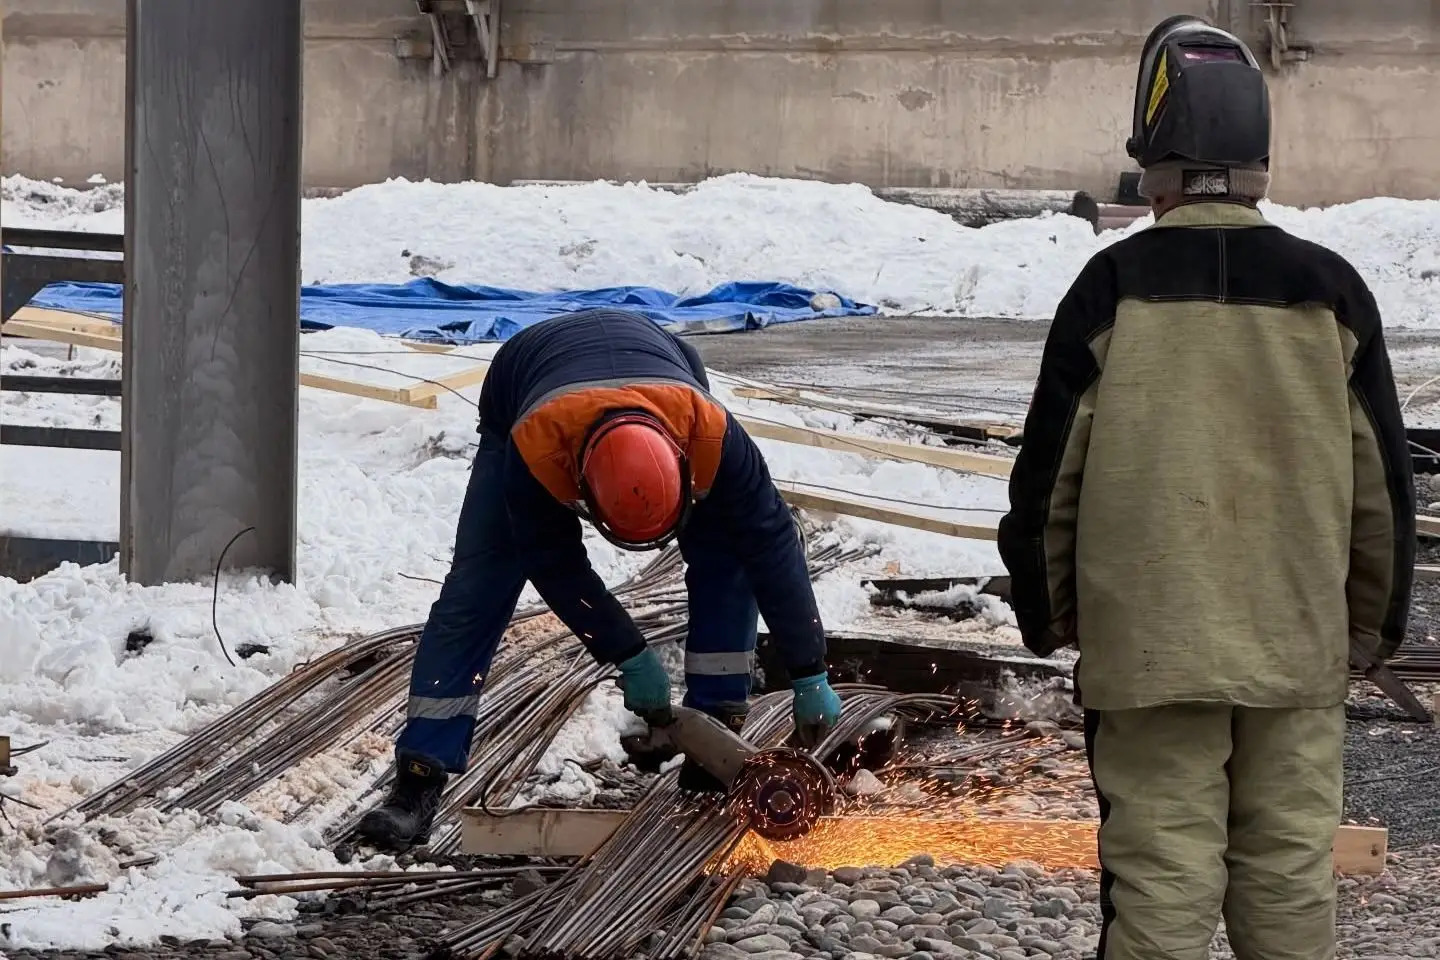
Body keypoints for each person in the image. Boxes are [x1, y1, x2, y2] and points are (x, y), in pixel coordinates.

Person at [997, 15, 1414, 960]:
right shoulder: (1332, 292)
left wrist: (1050, 614)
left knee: (1161, 877)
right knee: (1290, 871)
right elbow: (1383, 488)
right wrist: (1368, 628)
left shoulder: (1111, 288)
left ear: (1155, 164)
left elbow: (1049, 482)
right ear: (1259, 158)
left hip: (1151, 644)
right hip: (1295, 643)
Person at [358, 308, 843, 848]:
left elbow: (772, 545)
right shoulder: (536, 449)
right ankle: (418, 778)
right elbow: (554, 564)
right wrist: (628, 654)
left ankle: (714, 738)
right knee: (479, 586)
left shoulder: (711, 435)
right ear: (582, 490)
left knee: (727, 553)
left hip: (664, 362)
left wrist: (809, 670)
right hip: (524, 374)